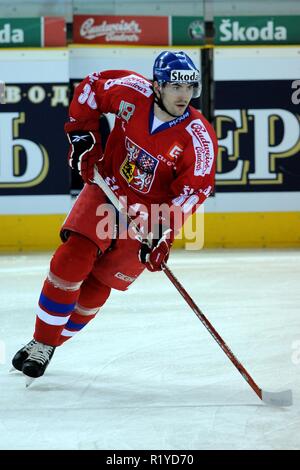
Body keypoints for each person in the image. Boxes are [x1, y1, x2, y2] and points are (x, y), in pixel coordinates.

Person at [12, 50, 218, 384]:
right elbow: (91, 89)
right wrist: (83, 138)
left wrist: (162, 233)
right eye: (175, 87)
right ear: (157, 85)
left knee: (97, 287)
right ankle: (43, 341)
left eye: (190, 87)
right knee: (73, 258)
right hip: (107, 189)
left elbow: (192, 192)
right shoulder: (131, 91)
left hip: (148, 217)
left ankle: (46, 343)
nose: (184, 95)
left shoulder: (198, 137)